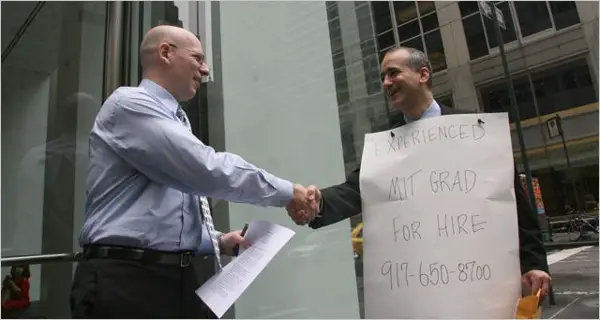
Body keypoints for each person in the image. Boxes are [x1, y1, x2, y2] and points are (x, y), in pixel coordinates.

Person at [70, 25, 317, 318]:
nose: (205, 69)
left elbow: (160, 213)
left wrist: (217, 241)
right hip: (127, 281)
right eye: (198, 58)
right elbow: (205, 169)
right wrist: (289, 193)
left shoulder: (174, 119)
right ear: (165, 52)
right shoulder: (130, 104)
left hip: (172, 279)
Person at [289, 47, 552, 298]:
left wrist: (534, 263)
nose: (386, 83)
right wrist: (317, 202)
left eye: (393, 73)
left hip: (480, 282)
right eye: (383, 77)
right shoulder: (385, 142)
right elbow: (355, 189)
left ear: (423, 74)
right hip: (417, 288)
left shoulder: (476, 129)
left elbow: (515, 205)